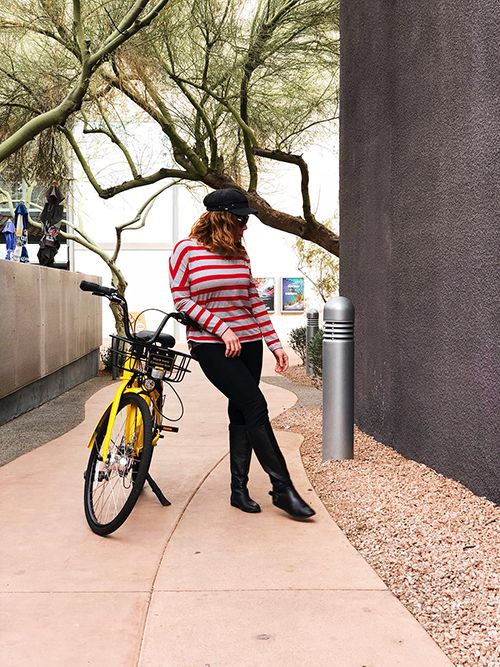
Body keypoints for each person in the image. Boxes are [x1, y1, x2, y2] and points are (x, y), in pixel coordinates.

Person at [168, 187, 315, 519]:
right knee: (255, 405)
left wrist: (275, 344)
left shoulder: (240, 253)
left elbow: (252, 300)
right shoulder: (186, 251)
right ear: (223, 219)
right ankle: (283, 490)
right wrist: (222, 328)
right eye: (241, 219)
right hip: (211, 345)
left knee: (241, 412)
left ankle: (239, 490)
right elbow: (182, 300)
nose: (246, 226)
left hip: (248, 344)